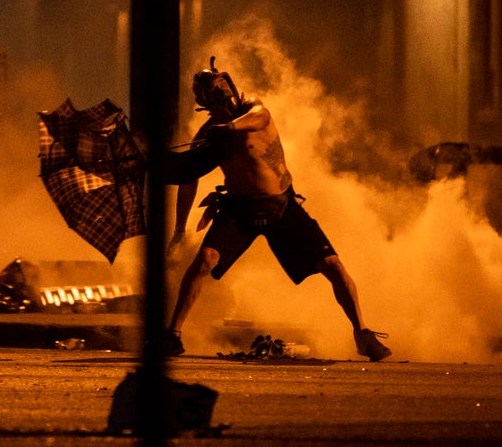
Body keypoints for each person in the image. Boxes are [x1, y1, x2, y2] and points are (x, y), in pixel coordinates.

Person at [164, 63, 392, 362]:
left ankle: (362, 333)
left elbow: (260, 118)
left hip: (281, 206)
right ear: (203, 102)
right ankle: (173, 335)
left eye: (221, 86)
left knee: (333, 265)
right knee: (204, 261)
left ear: (231, 86)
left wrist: (229, 127)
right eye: (210, 92)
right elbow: (189, 176)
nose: (220, 94)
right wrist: (180, 229)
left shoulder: (253, 110)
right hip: (238, 209)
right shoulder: (208, 133)